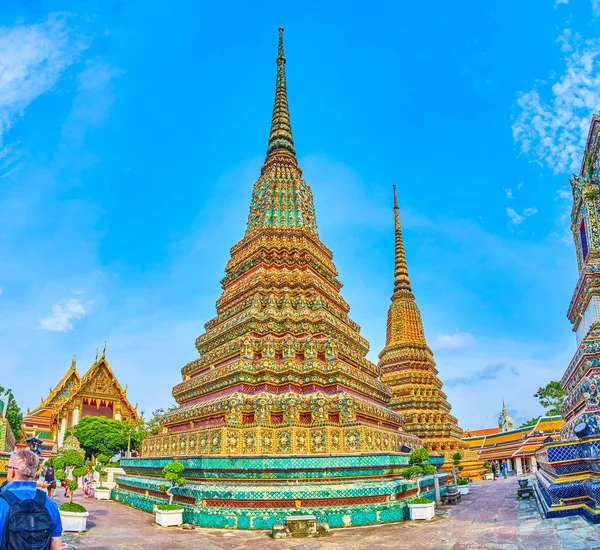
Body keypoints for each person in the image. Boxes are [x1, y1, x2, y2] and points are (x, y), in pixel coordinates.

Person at [0, 449, 63, 549]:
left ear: (12, 471)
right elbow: (57, 547)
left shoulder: (2, 503)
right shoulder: (50, 504)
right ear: (34, 474)